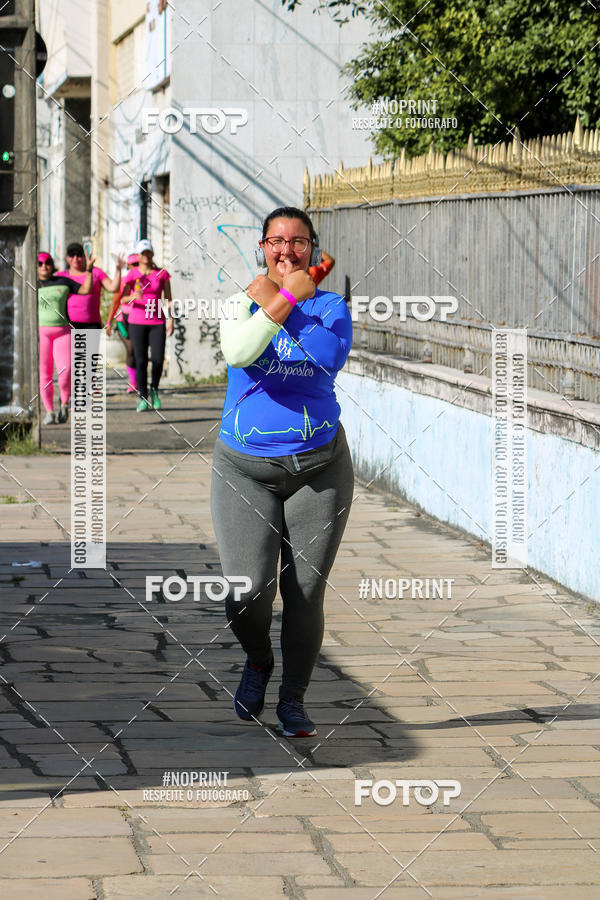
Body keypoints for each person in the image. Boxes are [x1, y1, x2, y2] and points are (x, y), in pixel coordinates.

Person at [211, 206, 354, 738]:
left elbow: (318, 364)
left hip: (318, 468)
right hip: (244, 469)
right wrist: (287, 297)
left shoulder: (334, 308)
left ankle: (292, 698)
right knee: (247, 591)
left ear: (313, 249)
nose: (287, 250)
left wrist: (282, 300)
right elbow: (239, 350)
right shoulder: (236, 305)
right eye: (276, 241)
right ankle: (258, 659)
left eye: (298, 242)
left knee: (305, 592)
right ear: (262, 249)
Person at [37, 251, 94, 425]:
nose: (44, 266)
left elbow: (85, 290)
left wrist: (89, 270)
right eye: (40, 263)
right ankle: (49, 411)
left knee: (66, 370)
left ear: (52, 264)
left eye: (47, 262)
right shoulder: (31, 283)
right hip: (40, 333)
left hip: (63, 332)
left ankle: (64, 403)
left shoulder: (62, 281)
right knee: (44, 374)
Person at [120, 239, 173, 411]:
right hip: (137, 321)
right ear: (138, 255)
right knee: (141, 360)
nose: (146, 256)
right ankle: (143, 397)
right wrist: (133, 296)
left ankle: (154, 389)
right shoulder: (132, 274)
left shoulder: (162, 273)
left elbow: (169, 299)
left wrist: (171, 319)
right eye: (143, 253)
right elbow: (123, 298)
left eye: (148, 252)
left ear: (152, 253)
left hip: (157, 321)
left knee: (158, 359)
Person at [57, 241, 124, 328]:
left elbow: (113, 288)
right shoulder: (61, 276)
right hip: (68, 324)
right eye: (71, 255)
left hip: (91, 324)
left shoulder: (95, 272)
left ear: (84, 256)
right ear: (66, 257)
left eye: (79, 255)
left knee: (90, 342)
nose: (75, 258)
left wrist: (118, 269)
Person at [105, 253, 139, 392]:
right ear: (129, 266)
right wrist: (108, 322)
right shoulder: (124, 281)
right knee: (131, 350)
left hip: (140, 321)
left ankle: (138, 381)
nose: (137, 267)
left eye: (139, 264)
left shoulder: (146, 280)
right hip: (123, 321)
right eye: (134, 265)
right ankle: (133, 382)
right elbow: (115, 301)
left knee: (139, 352)